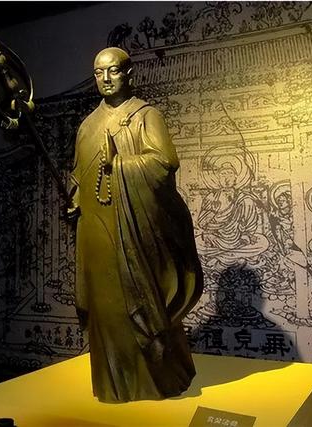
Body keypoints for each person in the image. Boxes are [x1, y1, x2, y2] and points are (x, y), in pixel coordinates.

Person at [66, 47, 203, 403]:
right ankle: (112, 384)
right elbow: (79, 175)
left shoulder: (145, 116)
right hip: (96, 232)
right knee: (105, 309)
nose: (105, 78)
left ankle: (155, 381)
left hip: (134, 231)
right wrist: (75, 194)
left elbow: (163, 164)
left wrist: (119, 165)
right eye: (99, 72)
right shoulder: (87, 126)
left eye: (113, 71)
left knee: (140, 307)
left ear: (129, 75)